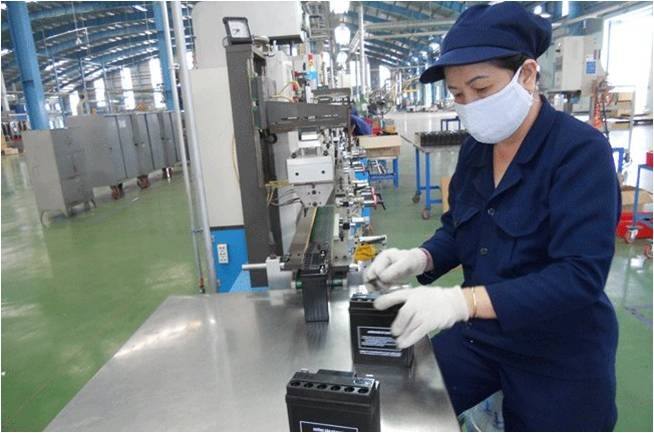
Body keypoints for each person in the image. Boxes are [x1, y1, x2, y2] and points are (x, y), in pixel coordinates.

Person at [365, 3, 620, 431]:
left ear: (527, 74)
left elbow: (579, 276)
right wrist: (420, 258)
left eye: (481, 89)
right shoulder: (476, 149)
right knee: (398, 402)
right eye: (458, 95)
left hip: (558, 349)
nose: (470, 104)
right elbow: (461, 228)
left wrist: (459, 301)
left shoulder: (580, 153)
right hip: (483, 336)